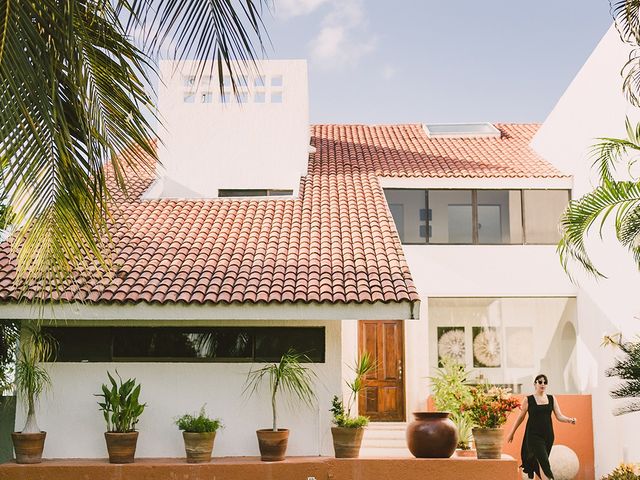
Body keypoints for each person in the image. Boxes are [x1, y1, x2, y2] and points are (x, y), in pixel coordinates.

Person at [506, 374, 577, 480]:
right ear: (535, 384)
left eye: (545, 382)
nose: (542, 384)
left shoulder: (551, 398)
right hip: (534, 436)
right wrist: (512, 433)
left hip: (548, 436)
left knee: (541, 462)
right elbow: (520, 418)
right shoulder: (528, 400)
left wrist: (569, 420)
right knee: (544, 463)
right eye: (540, 382)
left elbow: (559, 416)